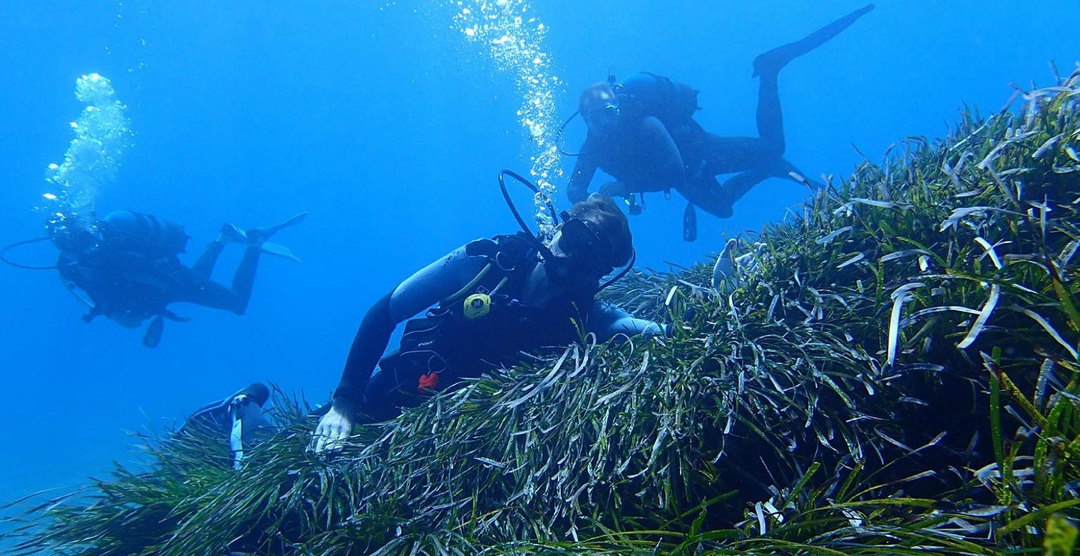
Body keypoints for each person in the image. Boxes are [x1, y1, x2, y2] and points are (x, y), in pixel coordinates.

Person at [312, 195, 663, 453]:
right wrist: (344, 403)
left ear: (599, 274)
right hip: (397, 391)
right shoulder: (483, 261)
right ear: (557, 228)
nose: (570, 259)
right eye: (573, 240)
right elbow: (384, 312)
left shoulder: (586, 317)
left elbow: (645, 329)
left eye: (589, 259)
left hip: (458, 442)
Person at [566, 4, 875, 229]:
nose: (605, 123)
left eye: (609, 113)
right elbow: (575, 187)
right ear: (586, 121)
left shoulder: (644, 122)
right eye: (596, 119)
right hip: (687, 176)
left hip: (701, 153)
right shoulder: (592, 147)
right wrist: (590, 205)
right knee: (723, 208)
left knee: (773, 147)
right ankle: (769, 169)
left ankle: (769, 71)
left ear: (617, 108)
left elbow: (673, 168)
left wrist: (625, 187)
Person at [47, 209, 305, 347]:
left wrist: (129, 311)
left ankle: (255, 244)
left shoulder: (84, 263)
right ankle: (223, 238)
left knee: (237, 303)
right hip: (161, 291)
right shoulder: (73, 265)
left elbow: (166, 282)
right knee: (196, 281)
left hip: (165, 286)